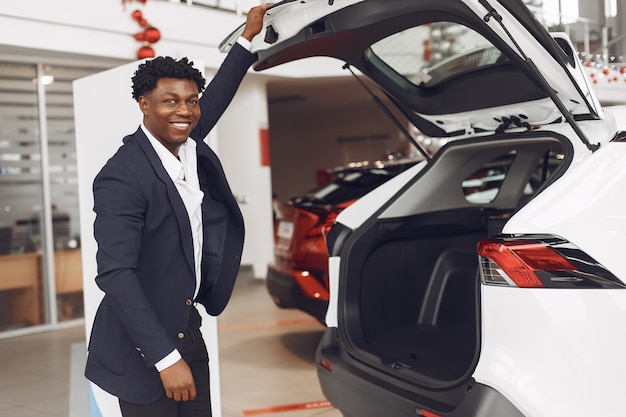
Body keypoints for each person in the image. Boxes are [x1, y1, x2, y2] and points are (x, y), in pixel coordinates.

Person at [84, 4, 270, 417]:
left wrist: (248, 35)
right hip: (142, 346)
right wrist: (165, 359)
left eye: (190, 101)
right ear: (144, 105)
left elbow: (218, 94)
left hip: (187, 329)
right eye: (170, 101)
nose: (184, 111)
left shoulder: (186, 145)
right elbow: (115, 274)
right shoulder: (122, 175)